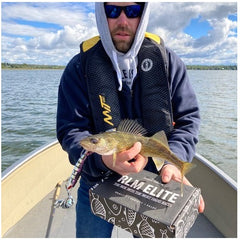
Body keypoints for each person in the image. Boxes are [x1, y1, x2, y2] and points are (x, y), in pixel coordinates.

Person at [57, 2, 205, 238]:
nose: (123, 21)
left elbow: (188, 120)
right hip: (95, 179)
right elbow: (70, 129)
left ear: (143, 13)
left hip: (156, 181)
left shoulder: (169, 63)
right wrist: (101, 162)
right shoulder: (79, 67)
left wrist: (171, 163)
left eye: (133, 11)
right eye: (113, 10)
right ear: (100, 12)